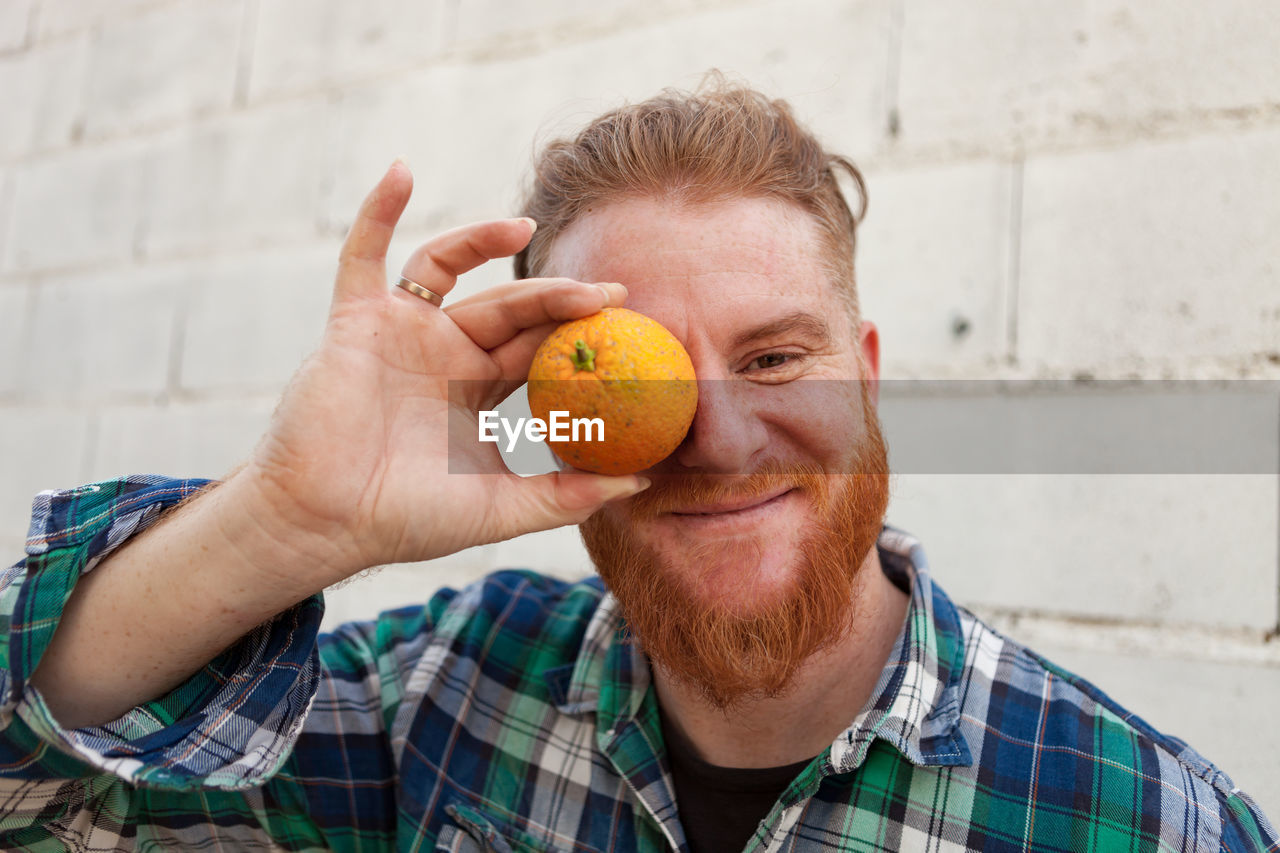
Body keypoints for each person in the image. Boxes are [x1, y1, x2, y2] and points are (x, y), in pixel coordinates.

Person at [0, 82, 1274, 853]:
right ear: (541, 411)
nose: (717, 442)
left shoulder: (1144, 819)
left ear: (865, 370)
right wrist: (285, 518)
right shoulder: (439, 701)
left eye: (774, 360)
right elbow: (41, 804)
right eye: (640, 382)